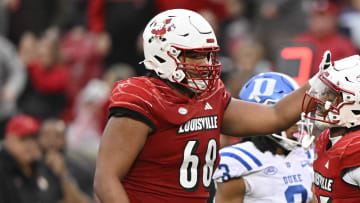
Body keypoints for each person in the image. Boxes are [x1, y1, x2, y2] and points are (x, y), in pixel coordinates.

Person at [94, 9, 317, 203]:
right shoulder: (145, 99)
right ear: (164, 54)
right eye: (196, 56)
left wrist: (322, 84)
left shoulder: (210, 96)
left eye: (209, 55)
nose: (206, 64)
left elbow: (276, 116)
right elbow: (106, 179)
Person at [212, 72, 315, 203]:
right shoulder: (238, 161)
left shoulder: (307, 154)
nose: (296, 124)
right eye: (289, 117)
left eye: (297, 116)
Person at [301, 51, 360, 202]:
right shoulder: (325, 138)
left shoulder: (355, 149)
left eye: (331, 95)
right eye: (323, 92)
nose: (320, 100)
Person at [0, 114, 63, 203]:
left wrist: (62, 176)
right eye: (24, 139)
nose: (30, 145)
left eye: (34, 138)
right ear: (9, 139)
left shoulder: (43, 166)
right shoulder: (3, 169)